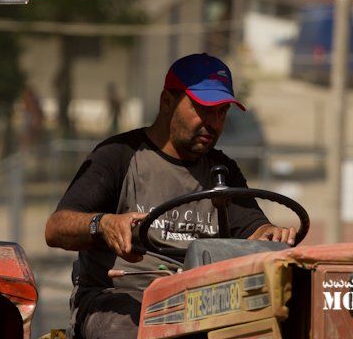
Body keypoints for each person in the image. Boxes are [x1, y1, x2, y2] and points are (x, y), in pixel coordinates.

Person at [45, 53, 297, 339]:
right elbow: (56, 228)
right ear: (167, 102)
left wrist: (269, 235)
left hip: (201, 304)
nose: (213, 122)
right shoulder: (119, 156)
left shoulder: (222, 171)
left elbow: (254, 229)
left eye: (222, 112)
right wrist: (102, 225)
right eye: (203, 108)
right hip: (117, 300)